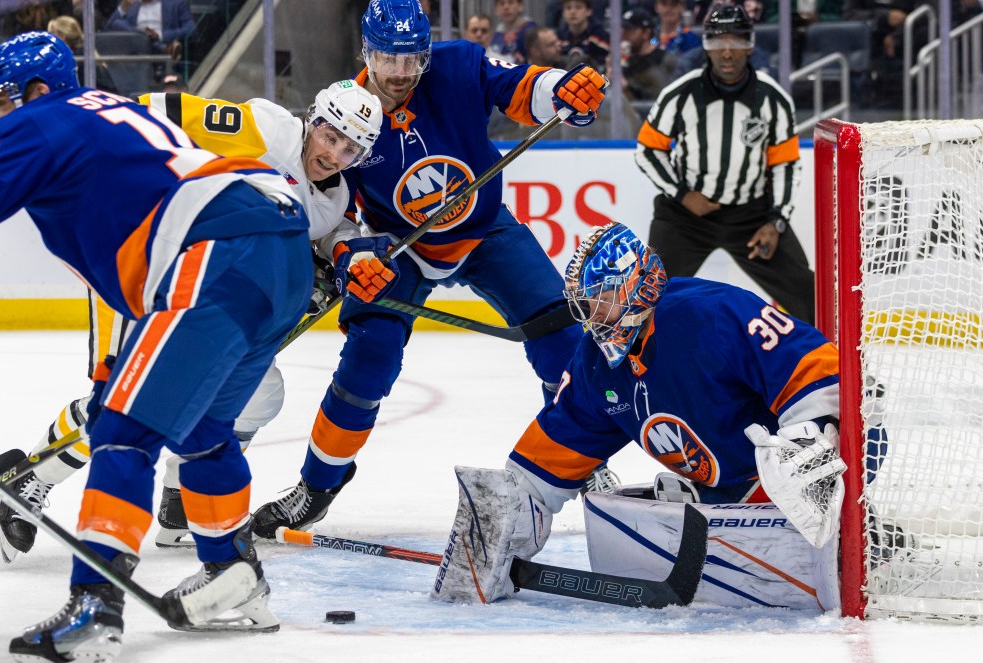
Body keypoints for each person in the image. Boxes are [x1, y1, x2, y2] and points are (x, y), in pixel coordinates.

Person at [0, 26, 313, 663]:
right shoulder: (106, 116)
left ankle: (92, 615)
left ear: (35, 90)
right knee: (205, 431)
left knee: (123, 431)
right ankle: (234, 579)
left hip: (216, 251)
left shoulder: (37, 122)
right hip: (277, 248)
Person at [249, 0, 608, 539]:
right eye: (387, 59)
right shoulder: (351, 112)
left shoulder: (459, 65)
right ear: (366, 53)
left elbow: (519, 88)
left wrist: (563, 90)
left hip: (485, 229)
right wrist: (351, 255)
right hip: (398, 245)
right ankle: (317, 486)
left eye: (411, 59)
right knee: (368, 360)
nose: (399, 73)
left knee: (559, 330)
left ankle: (586, 461)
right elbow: (335, 208)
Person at [0, 80, 382, 559]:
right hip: (141, 253)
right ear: (312, 121)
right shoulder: (268, 129)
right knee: (119, 399)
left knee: (259, 394)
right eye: (331, 136)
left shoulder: (334, 200)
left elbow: (324, 234)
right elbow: (164, 109)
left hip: (203, 294)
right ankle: (28, 477)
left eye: (351, 148)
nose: (335, 153)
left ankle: (181, 500)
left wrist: (341, 257)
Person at [430, 222, 852, 605]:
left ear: (638, 287)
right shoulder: (593, 366)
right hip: (730, 497)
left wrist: (808, 441)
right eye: (585, 305)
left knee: (795, 466)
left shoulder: (714, 314)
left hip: (820, 470)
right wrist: (498, 528)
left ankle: (864, 538)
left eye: (603, 300)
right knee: (647, 510)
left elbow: (819, 372)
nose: (593, 318)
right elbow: (544, 468)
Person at [634, 4, 815, 324]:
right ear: (706, 47)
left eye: (736, 42)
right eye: (718, 43)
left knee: (810, 297)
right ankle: (633, 369)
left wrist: (776, 222)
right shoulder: (680, 94)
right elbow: (647, 150)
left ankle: (840, 369)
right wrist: (682, 194)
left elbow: (785, 165)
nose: (727, 52)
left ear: (750, 45)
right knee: (648, 298)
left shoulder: (773, 99)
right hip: (684, 216)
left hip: (753, 217)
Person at [48, 14, 120, 94]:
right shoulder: (83, 52)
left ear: (62, 36)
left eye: (52, 34)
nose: (49, 40)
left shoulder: (77, 58)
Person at [103, 0, 194, 63]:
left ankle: (156, 44)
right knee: (118, 23)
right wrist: (122, 8)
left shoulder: (176, 3)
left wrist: (159, 35)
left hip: (163, 57)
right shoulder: (130, 4)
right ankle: (161, 48)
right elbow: (107, 31)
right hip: (136, 54)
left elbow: (191, 29)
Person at [620, 6, 673, 101]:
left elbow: (657, 94)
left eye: (630, 30)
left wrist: (627, 86)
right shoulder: (623, 59)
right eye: (623, 29)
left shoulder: (664, 59)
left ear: (646, 33)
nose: (624, 34)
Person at [556, 0, 610, 74]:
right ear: (563, 13)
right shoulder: (558, 37)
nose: (572, 12)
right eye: (568, 8)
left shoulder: (600, 36)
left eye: (578, 7)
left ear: (589, 11)